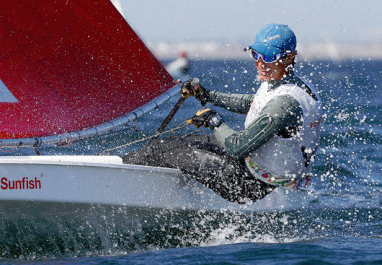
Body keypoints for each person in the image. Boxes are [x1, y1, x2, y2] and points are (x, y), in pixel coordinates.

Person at [124, 24, 323, 204]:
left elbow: (237, 147)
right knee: (182, 141)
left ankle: (119, 179)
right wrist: (207, 95)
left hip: (251, 186)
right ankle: (129, 167)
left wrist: (215, 120)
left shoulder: (285, 103)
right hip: (257, 168)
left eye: (269, 57)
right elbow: (252, 103)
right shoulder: (289, 83)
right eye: (256, 55)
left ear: (289, 57)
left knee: (160, 149)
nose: (261, 63)